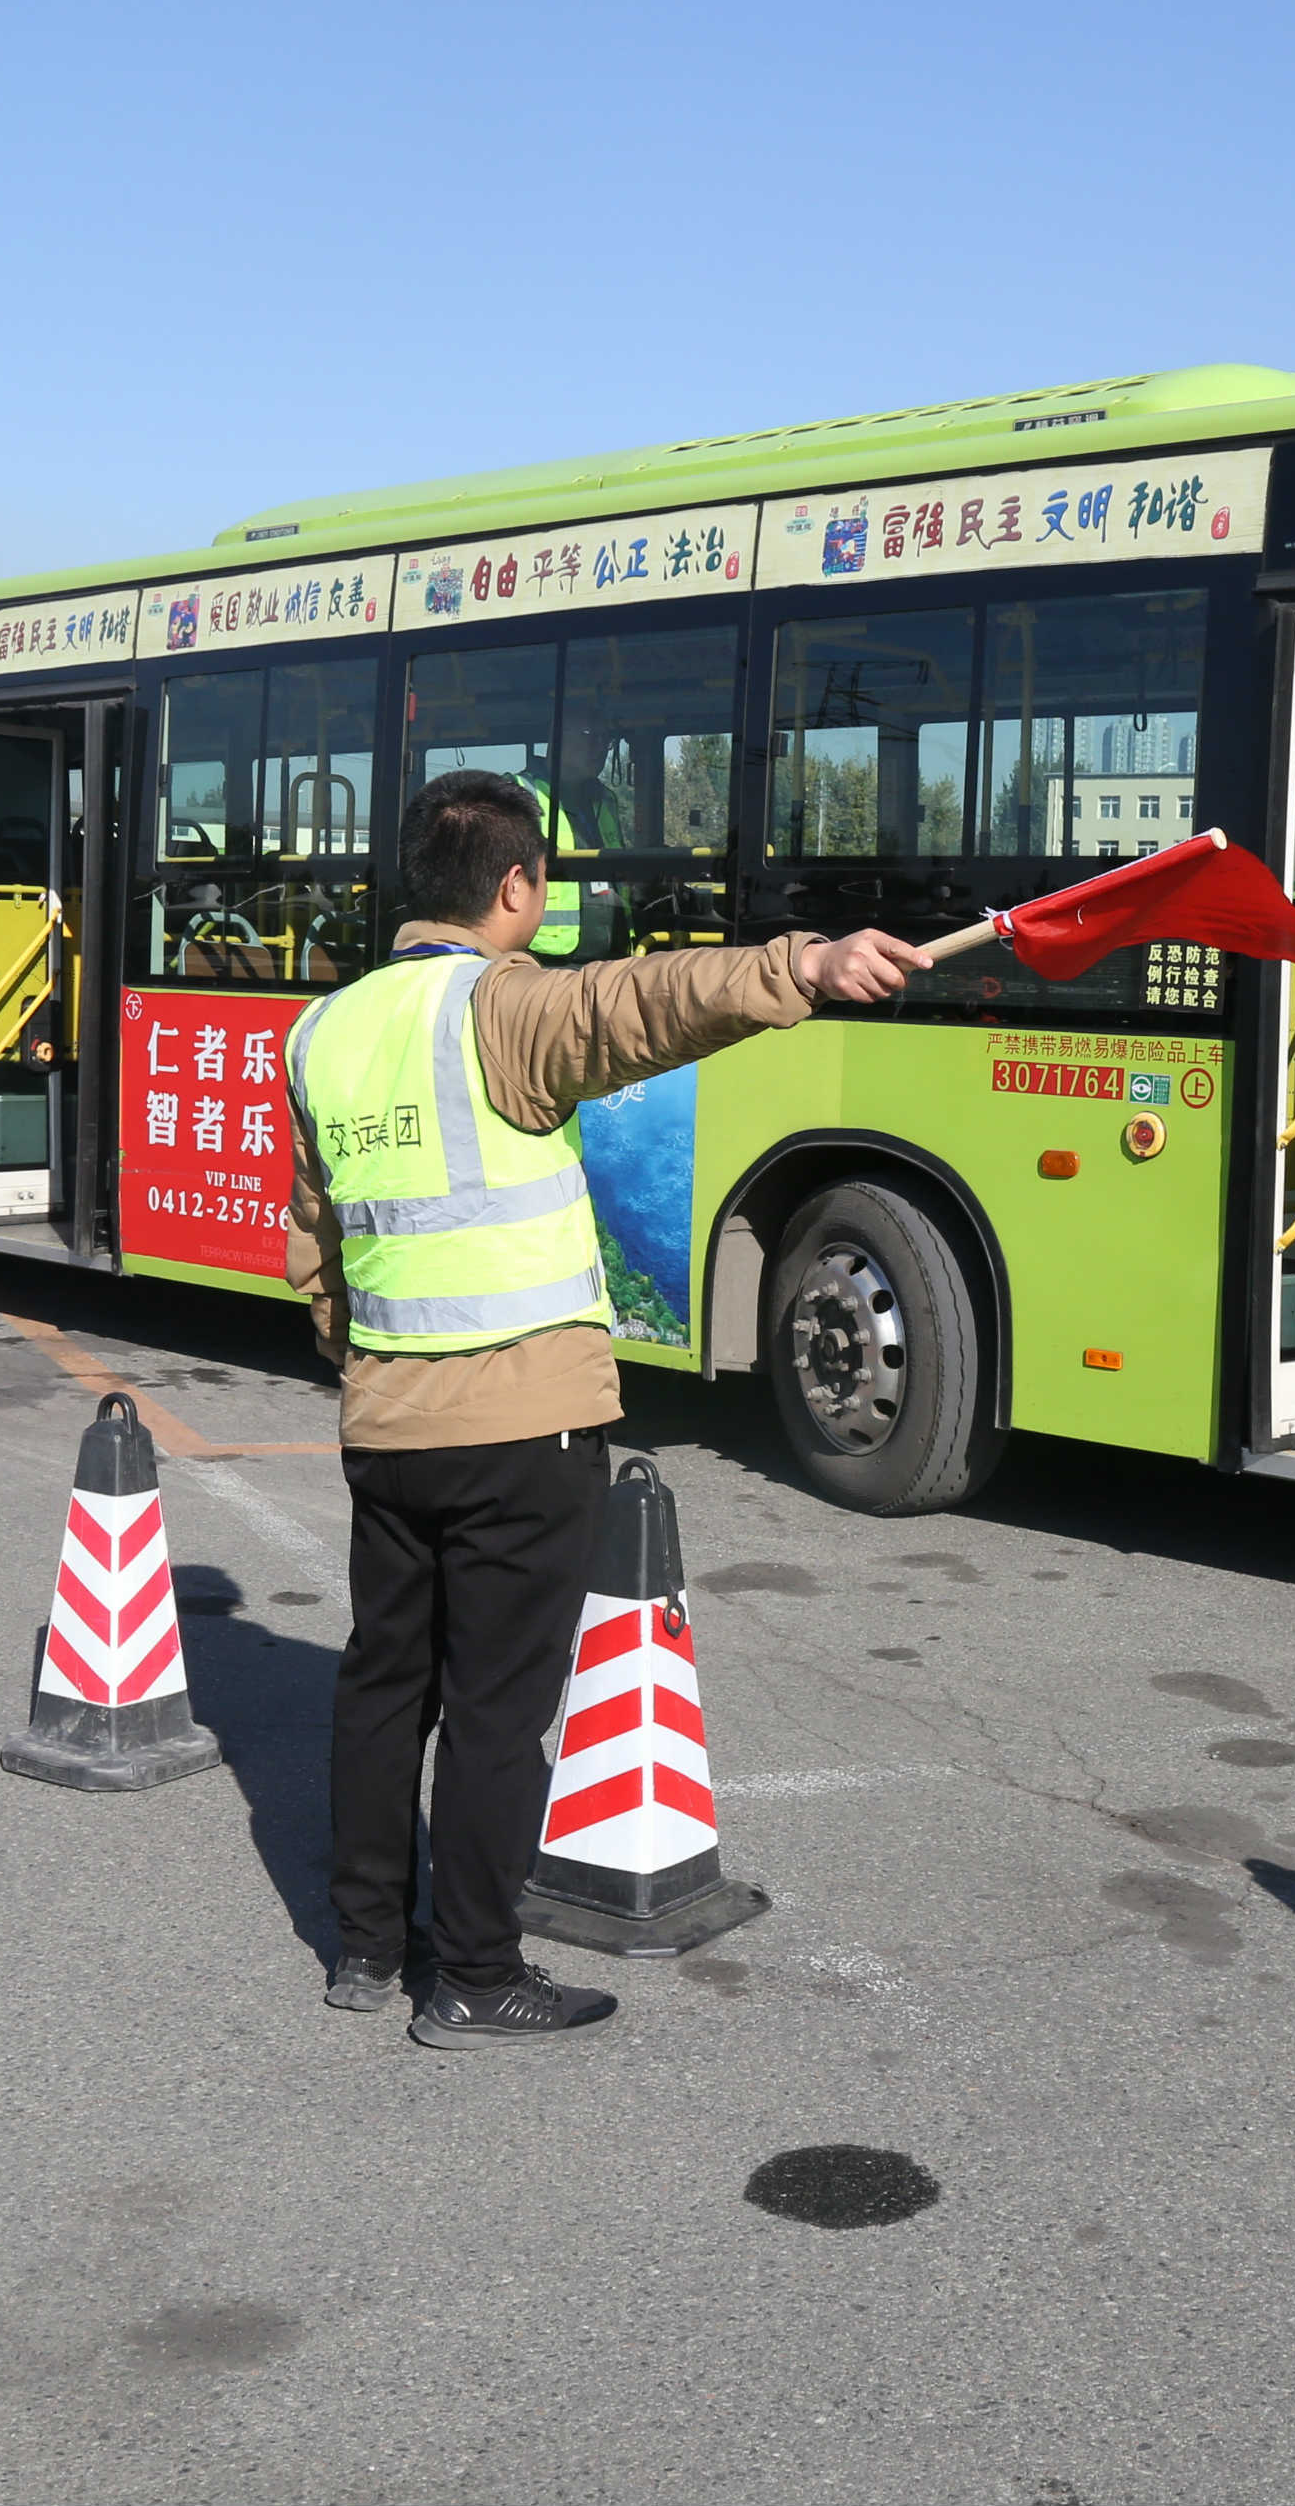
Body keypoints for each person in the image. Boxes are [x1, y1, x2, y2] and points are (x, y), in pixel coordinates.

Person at [286, 771, 927, 2049]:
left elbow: (317, 1248)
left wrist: (373, 1370)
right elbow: (647, 1001)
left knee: (383, 1685)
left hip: (386, 1419)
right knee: (496, 1713)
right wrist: (807, 965)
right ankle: (474, 1974)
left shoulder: (323, 1032)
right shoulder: (503, 1008)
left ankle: (365, 1947)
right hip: (520, 1430)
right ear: (515, 887)